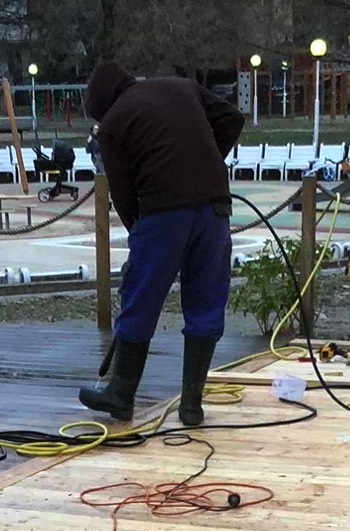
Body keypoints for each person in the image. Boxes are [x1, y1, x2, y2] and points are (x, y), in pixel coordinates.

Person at [78, 63, 244, 426]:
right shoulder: (182, 87)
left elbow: (123, 194)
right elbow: (232, 119)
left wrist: (139, 233)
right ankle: (191, 406)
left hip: (163, 214)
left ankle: (121, 394)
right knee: (206, 301)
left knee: (141, 298)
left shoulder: (113, 124)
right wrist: (202, 164)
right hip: (214, 207)